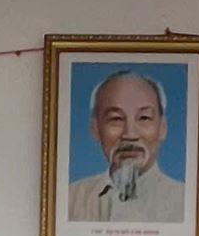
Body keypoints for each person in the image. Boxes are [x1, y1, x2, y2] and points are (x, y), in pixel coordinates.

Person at [66, 70, 185, 225]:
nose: (130, 134)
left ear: (162, 128)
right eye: (116, 119)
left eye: (144, 118)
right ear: (95, 129)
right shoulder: (70, 199)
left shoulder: (185, 203)